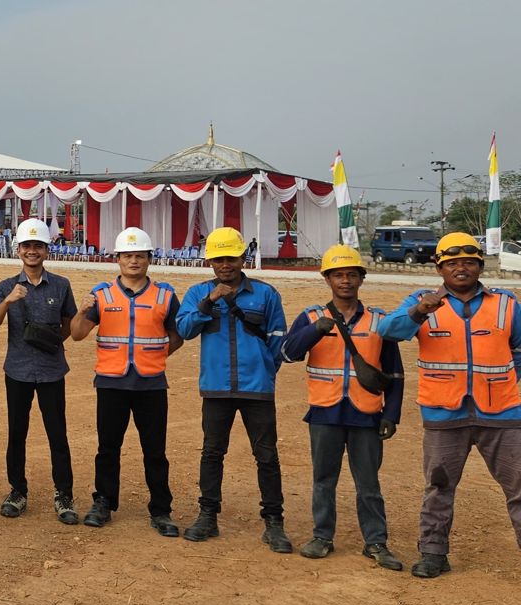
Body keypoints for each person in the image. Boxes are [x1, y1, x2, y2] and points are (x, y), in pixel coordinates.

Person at [380, 233, 521, 579]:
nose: (462, 268)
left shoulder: (506, 304)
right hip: (444, 412)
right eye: (453, 263)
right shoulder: (421, 301)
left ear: (479, 265)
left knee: (519, 486)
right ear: (439, 267)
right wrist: (419, 311)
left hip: (503, 412)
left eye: (469, 262)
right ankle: (433, 553)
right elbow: (388, 330)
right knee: (439, 485)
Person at [280, 245, 405, 569]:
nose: (345, 281)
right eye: (338, 275)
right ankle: (322, 536)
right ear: (327, 279)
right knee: (324, 479)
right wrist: (314, 331)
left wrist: (391, 414)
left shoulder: (380, 321)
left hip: (366, 414)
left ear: (361, 279)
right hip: (325, 412)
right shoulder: (310, 317)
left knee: (369, 484)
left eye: (351, 274)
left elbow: (394, 373)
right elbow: (288, 353)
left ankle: (376, 542)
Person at [176, 226, 291, 552]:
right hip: (216, 387)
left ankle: (274, 523)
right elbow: (183, 330)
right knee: (212, 452)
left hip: (257, 388)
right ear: (210, 261)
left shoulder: (265, 294)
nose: (225, 264)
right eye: (218, 259)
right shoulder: (199, 293)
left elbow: (278, 336)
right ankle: (208, 516)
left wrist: (266, 369)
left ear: (242, 257)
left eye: (230, 257)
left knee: (266, 455)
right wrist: (207, 304)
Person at [69, 227, 183, 536]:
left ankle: (161, 510)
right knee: (108, 448)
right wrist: (80, 313)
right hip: (111, 384)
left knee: (155, 451)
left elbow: (177, 336)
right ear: (117, 259)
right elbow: (78, 334)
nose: (134, 261)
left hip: (151, 385)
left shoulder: (166, 296)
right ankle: (103, 502)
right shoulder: (101, 295)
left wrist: (153, 357)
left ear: (149, 259)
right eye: (128, 255)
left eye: (140, 256)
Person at [0, 218, 79, 524]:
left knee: (57, 434)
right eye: (27, 246)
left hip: (52, 370)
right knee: (17, 433)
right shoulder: (5, 287)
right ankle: (17, 491)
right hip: (18, 370)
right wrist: (10, 300)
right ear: (18, 251)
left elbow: (70, 323)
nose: (32, 251)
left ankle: (64, 494)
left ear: (46, 250)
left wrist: (50, 343)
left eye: (37, 246)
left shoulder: (61, 285)